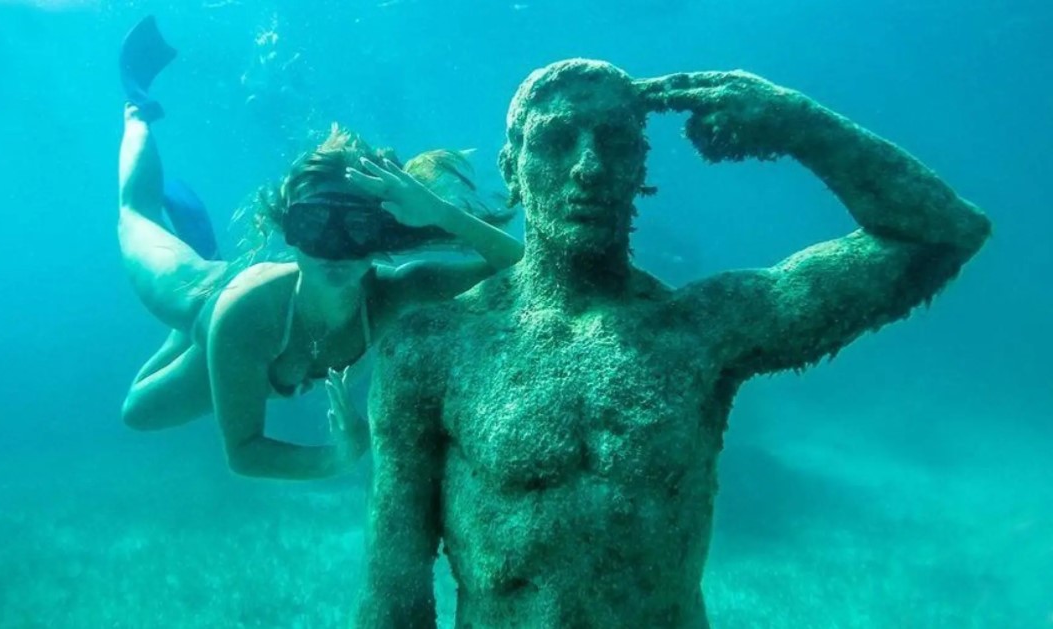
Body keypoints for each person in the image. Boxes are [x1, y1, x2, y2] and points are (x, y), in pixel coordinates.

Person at [354, 59, 991, 627]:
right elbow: (395, 591)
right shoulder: (433, 348)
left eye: (615, 141)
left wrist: (797, 122)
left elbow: (943, 231)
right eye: (555, 140)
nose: (588, 167)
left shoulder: (704, 328)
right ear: (512, 168)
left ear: (640, 167)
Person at [115, 17, 523, 480]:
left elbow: (526, 273)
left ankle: (183, 332)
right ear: (289, 230)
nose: (334, 249)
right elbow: (244, 452)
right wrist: (335, 458)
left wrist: (440, 213)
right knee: (134, 217)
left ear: (382, 234)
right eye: (314, 225)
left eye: (355, 227)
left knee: (137, 413)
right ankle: (136, 108)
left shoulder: (400, 291)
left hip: (245, 339)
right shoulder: (245, 318)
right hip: (205, 296)